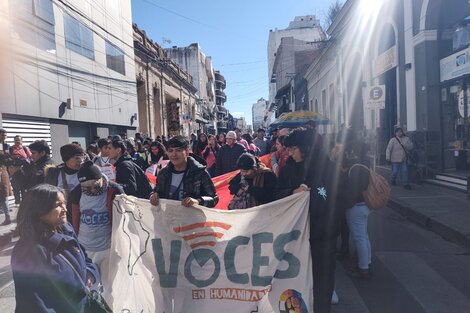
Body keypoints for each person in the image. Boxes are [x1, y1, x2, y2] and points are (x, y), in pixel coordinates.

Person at [277, 128, 340, 313]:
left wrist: (314, 191)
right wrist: (292, 193)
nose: (290, 153)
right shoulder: (288, 168)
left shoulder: (327, 167)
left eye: (293, 149)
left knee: (322, 280)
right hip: (296, 236)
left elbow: (330, 195)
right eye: (288, 149)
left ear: (306, 148)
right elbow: (277, 196)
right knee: (296, 279)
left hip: (322, 235)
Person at [11, 184, 100, 313]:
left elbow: (85, 258)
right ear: (39, 210)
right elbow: (31, 301)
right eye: (58, 205)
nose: (65, 209)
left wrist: (90, 274)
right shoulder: (28, 251)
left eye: (64, 203)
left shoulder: (65, 229)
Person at [70, 161, 123, 270]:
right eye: (87, 188)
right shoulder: (77, 193)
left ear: (101, 179)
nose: (92, 190)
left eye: (95, 185)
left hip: (107, 247)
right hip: (84, 247)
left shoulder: (114, 191)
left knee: (108, 283)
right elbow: (72, 218)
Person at [149, 136, 218, 208]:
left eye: (178, 150)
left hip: (194, 218)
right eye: (170, 151)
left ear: (187, 152)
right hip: (169, 217)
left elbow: (214, 199)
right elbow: (157, 192)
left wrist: (198, 201)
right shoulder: (163, 173)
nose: (174, 154)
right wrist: (153, 195)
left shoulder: (200, 173)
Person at [45, 143, 85, 221]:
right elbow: (47, 195)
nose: (81, 161)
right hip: (61, 214)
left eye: (82, 157)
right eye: (77, 158)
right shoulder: (54, 174)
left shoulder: (87, 172)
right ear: (66, 159)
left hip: (82, 213)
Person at [9, 135, 31, 204]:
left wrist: (24, 162)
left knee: (23, 188)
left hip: (23, 172)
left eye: (19, 140)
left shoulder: (25, 149)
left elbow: (30, 158)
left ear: (22, 141)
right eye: (16, 140)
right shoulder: (11, 149)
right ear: (14, 141)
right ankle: (17, 203)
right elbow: (7, 159)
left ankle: (25, 203)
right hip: (14, 172)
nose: (17, 141)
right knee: (15, 189)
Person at [0, 155, 12, 225]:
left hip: (2, 185)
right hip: (4, 183)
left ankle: (8, 218)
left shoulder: (1, 169)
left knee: (4, 200)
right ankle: (7, 216)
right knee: (4, 200)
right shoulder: (4, 167)